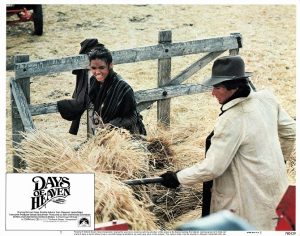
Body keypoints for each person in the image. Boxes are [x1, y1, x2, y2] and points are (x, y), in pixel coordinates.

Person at [159, 55, 296, 230]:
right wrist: (278, 163)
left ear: (233, 87)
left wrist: (178, 177)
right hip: (276, 195)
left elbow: (213, 168)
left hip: (244, 207)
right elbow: (291, 132)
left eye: (217, 87)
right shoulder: (267, 99)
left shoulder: (231, 119)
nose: (212, 92)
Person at [88, 45, 146, 136]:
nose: (97, 72)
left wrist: (111, 125)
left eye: (102, 68)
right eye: (94, 68)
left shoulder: (123, 88)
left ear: (110, 65)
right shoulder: (93, 82)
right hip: (104, 133)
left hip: (128, 135)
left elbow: (132, 118)